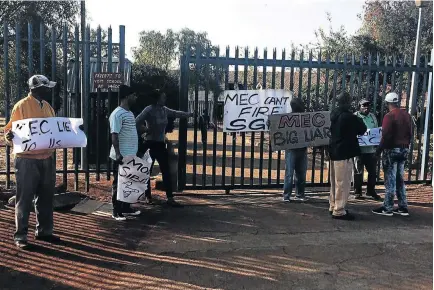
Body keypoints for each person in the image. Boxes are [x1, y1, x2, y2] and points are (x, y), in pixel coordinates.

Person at [4, 75, 61, 249]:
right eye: (46, 87)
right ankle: (20, 235)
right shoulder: (21, 106)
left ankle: (44, 231)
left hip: (47, 158)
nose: (49, 90)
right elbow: (9, 130)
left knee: (45, 197)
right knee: (25, 198)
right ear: (37, 88)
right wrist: (9, 137)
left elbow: (54, 130)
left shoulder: (48, 106)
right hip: (27, 160)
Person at [136, 89, 193, 207]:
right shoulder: (149, 109)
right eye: (163, 97)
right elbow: (137, 121)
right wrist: (146, 130)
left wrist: (189, 114)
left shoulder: (164, 109)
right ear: (157, 99)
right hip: (150, 143)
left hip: (160, 144)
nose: (165, 99)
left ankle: (170, 198)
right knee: (147, 171)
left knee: (166, 170)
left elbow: (176, 113)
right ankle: (147, 196)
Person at [328, 92, 367, 220]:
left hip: (334, 151)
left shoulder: (333, 115)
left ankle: (333, 205)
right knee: (343, 183)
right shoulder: (349, 117)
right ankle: (339, 210)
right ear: (348, 102)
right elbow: (362, 129)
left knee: (335, 182)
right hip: (344, 152)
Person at [372, 92, 412, 217]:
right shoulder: (407, 115)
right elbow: (411, 133)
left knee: (390, 179)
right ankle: (402, 207)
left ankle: (388, 207)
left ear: (387, 103)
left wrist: (378, 151)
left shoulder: (389, 116)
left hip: (391, 150)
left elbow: (386, 136)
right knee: (400, 179)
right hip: (404, 149)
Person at [109, 85, 142, 221]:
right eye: (133, 95)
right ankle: (116, 211)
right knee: (119, 183)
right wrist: (118, 154)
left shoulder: (129, 113)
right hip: (121, 156)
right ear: (127, 96)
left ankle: (126, 208)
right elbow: (114, 135)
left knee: (129, 183)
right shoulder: (117, 114)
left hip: (130, 155)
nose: (135, 98)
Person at [353, 99, 382, 200]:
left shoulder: (372, 117)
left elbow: (376, 131)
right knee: (358, 172)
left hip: (370, 150)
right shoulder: (355, 116)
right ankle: (357, 191)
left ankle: (370, 191)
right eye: (363, 106)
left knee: (372, 172)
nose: (366, 108)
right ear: (359, 107)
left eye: (368, 106)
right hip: (358, 150)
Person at [283, 98, 308, 202]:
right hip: (292, 150)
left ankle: (299, 194)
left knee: (300, 173)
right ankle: (287, 195)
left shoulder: (306, 118)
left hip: (301, 149)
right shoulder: (287, 118)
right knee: (290, 173)